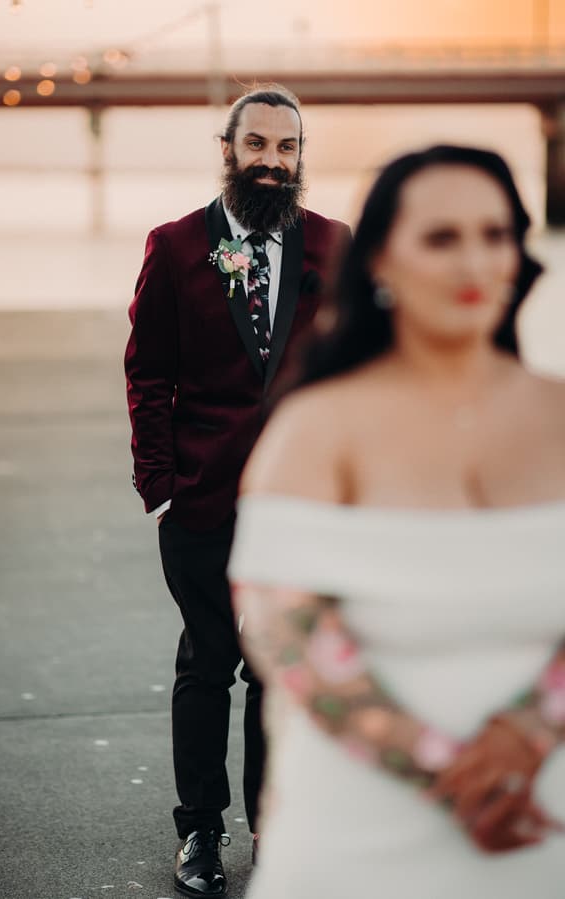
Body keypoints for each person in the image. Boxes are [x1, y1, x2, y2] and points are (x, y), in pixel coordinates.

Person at [229, 144, 565, 897]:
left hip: (542, 825)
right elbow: (287, 634)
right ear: (380, 258)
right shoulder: (317, 426)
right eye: (441, 238)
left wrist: (526, 735)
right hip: (361, 838)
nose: (475, 262)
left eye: (496, 233)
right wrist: (451, 770)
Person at [124, 84, 349, 897]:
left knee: (277, 668)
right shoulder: (177, 245)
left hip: (299, 508)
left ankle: (274, 829)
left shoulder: (335, 244)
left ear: (299, 157)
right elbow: (147, 373)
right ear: (229, 150)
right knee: (209, 659)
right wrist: (159, 486)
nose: (271, 161)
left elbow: (350, 378)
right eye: (256, 145)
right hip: (200, 500)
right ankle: (201, 833)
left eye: (286, 148)